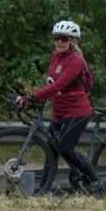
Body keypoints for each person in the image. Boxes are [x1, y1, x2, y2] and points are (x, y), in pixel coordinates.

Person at [18, 20, 102, 195]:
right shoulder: (56, 57)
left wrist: (32, 97)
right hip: (60, 111)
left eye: (64, 38)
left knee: (65, 147)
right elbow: (51, 83)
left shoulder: (76, 61)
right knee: (52, 148)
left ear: (73, 41)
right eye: (56, 38)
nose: (59, 42)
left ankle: (95, 182)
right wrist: (34, 100)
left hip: (77, 112)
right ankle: (43, 188)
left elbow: (59, 86)